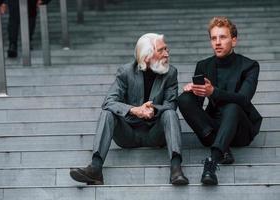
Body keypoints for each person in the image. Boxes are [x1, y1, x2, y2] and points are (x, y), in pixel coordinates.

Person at [70, 33, 189, 185]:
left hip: (155, 134)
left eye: (167, 49)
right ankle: (95, 168)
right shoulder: (126, 72)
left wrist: (153, 109)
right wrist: (135, 110)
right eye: (161, 50)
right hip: (128, 134)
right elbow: (109, 102)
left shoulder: (170, 73)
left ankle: (176, 168)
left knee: (170, 113)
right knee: (107, 113)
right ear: (147, 56)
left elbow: (170, 104)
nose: (167, 54)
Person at [177, 16, 262, 185]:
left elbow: (244, 99)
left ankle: (212, 163)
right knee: (184, 99)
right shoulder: (203, 65)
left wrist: (213, 91)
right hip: (212, 128)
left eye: (222, 37)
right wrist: (194, 91)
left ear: (234, 40)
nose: (217, 42)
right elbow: (198, 106)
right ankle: (223, 149)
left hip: (240, 129)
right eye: (213, 38)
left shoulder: (250, 65)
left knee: (233, 106)